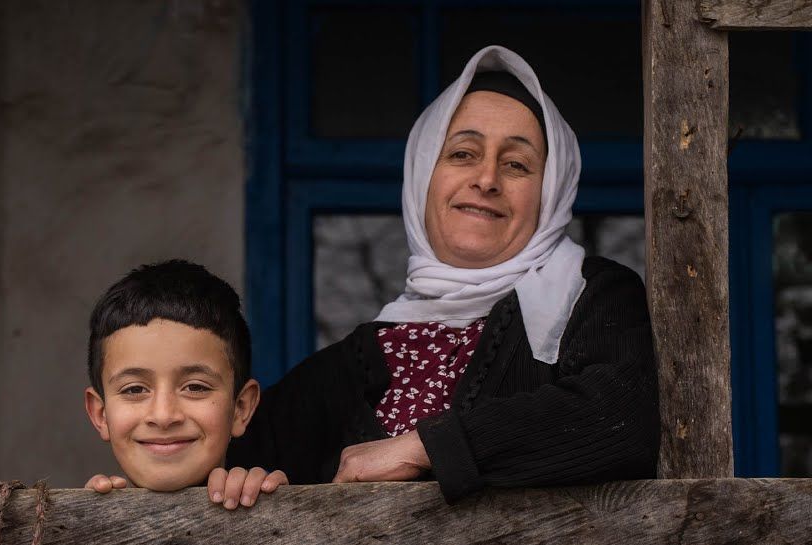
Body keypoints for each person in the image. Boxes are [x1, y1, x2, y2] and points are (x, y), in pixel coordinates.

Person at [227, 46, 659, 501]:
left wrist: (426, 448)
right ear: (421, 177)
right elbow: (231, 455)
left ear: (551, 191)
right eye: (462, 154)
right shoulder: (345, 369)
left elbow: (622, 418)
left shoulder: (594, 297)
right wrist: (239, 480)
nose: (487, 179)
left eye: (516, 164)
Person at [83, 260, 288, 509]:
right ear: (101, 414)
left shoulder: (260, 501)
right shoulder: (80, 518)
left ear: (241, 407)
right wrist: (88, 517)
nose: (163, 416)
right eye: (134, 389)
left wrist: (272, 507)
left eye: (195, 387)